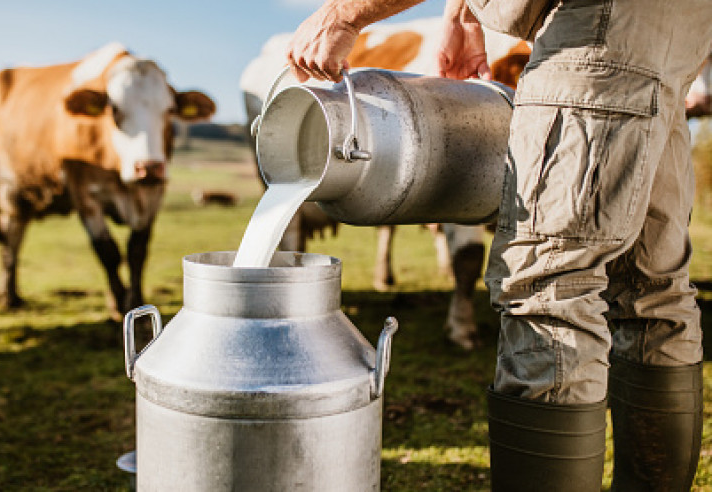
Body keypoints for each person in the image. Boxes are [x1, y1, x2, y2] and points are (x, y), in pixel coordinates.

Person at [286, 0, 711, 490]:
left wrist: (342, 14)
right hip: (677, 27)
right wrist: (462, 13)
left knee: (551, 287)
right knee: (650, 288)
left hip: (594, 26)